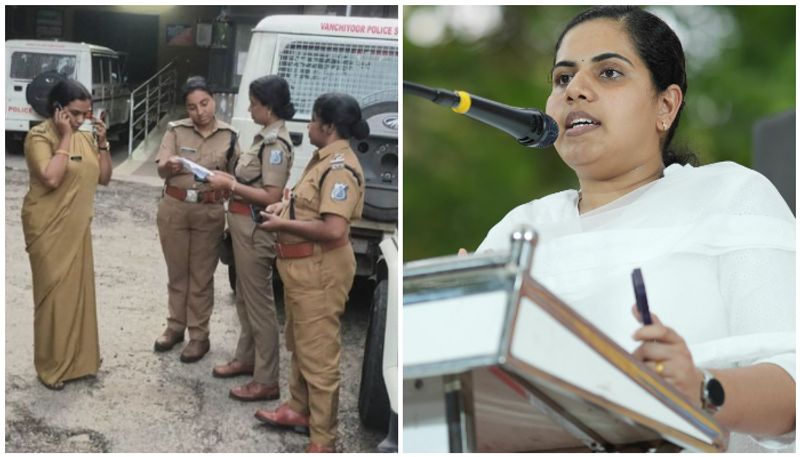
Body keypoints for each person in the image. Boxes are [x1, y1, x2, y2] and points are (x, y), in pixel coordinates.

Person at [476, 6, 795, 452]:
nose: (576, 91)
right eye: (563, 78)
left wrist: (700, 390)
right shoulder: (520, 228)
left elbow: (793, 381)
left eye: (608, 73)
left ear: (666, 105)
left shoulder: (730, 196)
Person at [253, 93, 369, 453]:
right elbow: (307, 208)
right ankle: (298, 410)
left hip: (320, 270)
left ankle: (323, 439)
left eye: (314, 120)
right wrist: (283, 210)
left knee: (319, 356)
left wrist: (278, 225)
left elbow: (334, 229)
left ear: (329, 126)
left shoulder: (339, 168)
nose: (308, 126)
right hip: (302, 269)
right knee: (301, 343)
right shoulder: (322, 162)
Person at [206, 75, 295, 401]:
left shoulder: (275, 145)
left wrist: (230, 185)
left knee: (260, 306)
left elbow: (269, 193)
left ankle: (266, 378)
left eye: (254, 103)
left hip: (255, 230)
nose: (249, 108)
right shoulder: (262, 139)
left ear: (268, 107)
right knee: (244, 298)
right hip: (242, 226)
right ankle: (246, 359)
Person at [21, 79, 113, 390]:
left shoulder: (85, 137)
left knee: (79, 296)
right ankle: (50, 368)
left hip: (77, 227)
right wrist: (64, 137)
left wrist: (102, 143)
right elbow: (50, 178)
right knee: (54, 299)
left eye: (87, 114)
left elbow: (104, 178)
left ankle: (79, 362)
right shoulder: (40, 137)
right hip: (47, 229)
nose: (82, 120)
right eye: (75, 113)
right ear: (58, 110)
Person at [153, 76, 239, 363]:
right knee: (177, 272)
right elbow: (161, 170)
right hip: (175, 207)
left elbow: (237, 178)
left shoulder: (229, 136)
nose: (199, 112)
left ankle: (199, 336)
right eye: (192, 107)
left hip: (209, 211)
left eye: (204, 104)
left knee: (201, 276)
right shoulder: (175, 131)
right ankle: (175, 327)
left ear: (213, 100)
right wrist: (169, 164)